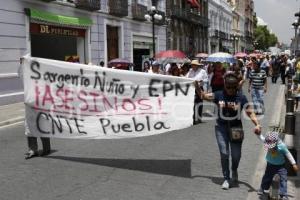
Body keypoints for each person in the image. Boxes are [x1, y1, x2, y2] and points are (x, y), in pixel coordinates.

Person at [202, 72, 262, 190]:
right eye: (227, 87)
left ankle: (234, 169)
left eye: (232, 87)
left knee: (236, 156)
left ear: (236, 87)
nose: (229, 90)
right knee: (224, 153)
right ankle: (226, 178)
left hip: (236, 128)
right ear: (225, 86)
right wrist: (196, 86)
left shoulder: (241, 97)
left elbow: (250, 112)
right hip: (221, 128)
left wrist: (257, 124)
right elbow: (204, 96)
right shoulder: (219, 94)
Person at [18, 56, 51, 159]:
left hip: (41, 103)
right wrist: (21, 63)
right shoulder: (26, 68)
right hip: (29, 103)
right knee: (29, 127)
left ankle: (46, 148)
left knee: (42, 125)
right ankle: (33, 149)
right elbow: (20, 74)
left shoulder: (43, 70)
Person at [257, 131, 298, 200]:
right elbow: (261, 138)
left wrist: (293, 163)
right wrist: (258, 134)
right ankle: (263, 189)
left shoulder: (282, 146)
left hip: (281, 166)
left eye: (271, 146)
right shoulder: (267, 141)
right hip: (270, 164)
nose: (270, 148)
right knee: (267, 177)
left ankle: (283, 194)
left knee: (283, 179)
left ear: (276, 142)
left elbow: (288, 154)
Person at [187, 60, 208, 124]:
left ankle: (199, 118)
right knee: (192, 104)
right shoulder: (190, 71)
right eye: (192, 65)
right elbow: (186, 78)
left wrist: (202, 81)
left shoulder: (202, 71)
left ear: (197, 65)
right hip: (192, 89)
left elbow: (206, 79)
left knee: (200, 103)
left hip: (199, 88)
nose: (193, 66)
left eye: (194, 65)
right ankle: (193, 118)